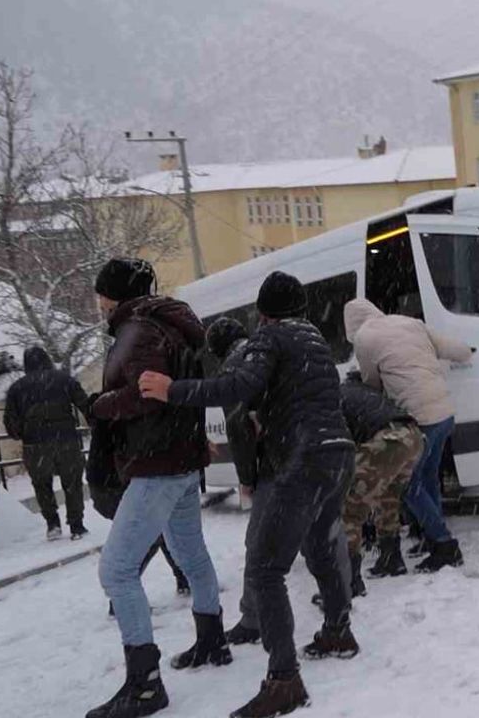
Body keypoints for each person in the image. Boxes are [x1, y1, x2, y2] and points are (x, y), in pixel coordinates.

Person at [139, 272, 356, 718]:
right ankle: (337, 630)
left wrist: (169, 390)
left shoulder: (271, 336)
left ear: (262, 312)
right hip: (338, 454)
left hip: (301, 458)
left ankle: (284, 681)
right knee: (320, 546)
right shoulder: (315, 339)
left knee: (264, 570)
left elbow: (236, 387)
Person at [85, 258, 228, 718]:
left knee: (117, 570)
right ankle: (212, 640)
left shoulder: (139, 329)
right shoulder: (175, 322)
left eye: (102, 294)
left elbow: (147, 394)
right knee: (190, 554)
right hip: (183, 459)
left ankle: (145, 686)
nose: (100, 303)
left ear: (116, 294)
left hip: (155, 463)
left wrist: (100, 405)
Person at [342, 298, 473, 573]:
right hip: (444, 413)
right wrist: (468, 352)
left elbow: (372, 385)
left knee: (408, 486)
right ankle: (430, 536)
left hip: (418, 418)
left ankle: (444, 544)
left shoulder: (365, 338)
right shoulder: (409, 322)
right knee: (427, 478)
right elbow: (452, 348)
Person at [202, 316, 265, 648]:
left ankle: (253, 620)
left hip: (275, 461)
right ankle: (340, 595)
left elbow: (238, 428)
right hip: (308, 451)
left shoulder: (232, 370)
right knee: (318, 529)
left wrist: (247, 480)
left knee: (258, 545)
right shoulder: (264, 351)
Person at [85, 413, 192, 602]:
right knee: (148, 536)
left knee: (161, 527)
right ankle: (120, 596)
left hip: (106, 484)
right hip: (114, 485)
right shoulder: (128, 411)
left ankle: (184, 578)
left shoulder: (112, 408)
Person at [340, 372, 425, 584]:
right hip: (413, 437)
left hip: (387, 441)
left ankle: (347, 582)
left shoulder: (336, 399)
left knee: (350, 509)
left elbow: (342, 444)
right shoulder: (367, 393)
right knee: (388, 498)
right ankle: (391, 559)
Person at [4, 345, 91, 541]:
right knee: (73, 483)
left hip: (35, 444)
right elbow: (85, 405)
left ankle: (52, 524)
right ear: (47, 359)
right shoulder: (63, 380)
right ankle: (76, 525)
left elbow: (11, 423)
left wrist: (22, 433)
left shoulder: (17, 388)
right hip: (66, 439)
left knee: (42, 485)